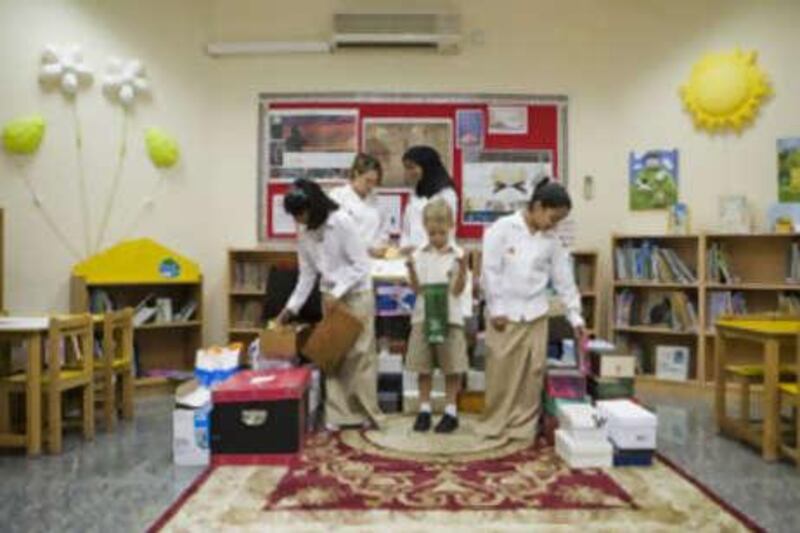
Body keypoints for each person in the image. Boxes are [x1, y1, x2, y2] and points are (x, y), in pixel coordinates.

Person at [477, 178, 585, 441]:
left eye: (560, 220)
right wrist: (496, 308)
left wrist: (575, 316)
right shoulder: (503, 229)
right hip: (505, 314)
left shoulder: (552, 240)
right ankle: (495, 423)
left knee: (532, 374)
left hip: (536, 314)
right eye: (553, 216)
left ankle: (522, 427)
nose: (554, 224)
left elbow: (564, 279)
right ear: (537, 206)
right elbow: (489, 271)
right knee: (501, 373)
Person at [277, 179, 384, 430]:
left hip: (355, 294)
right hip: (330, 298)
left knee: (360, 355)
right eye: (294, 216)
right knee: (333, 356)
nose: (298, 220)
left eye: (300, 214)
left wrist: (337, 291)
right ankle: (339, 415)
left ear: (313, 206)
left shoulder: (342, 222)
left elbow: (360, 265)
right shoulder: (304, 232)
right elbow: (307, 275)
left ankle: (367, 413)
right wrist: (290, 308)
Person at [405, 199, 470, 434]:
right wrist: (411, 269)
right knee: (423, 366)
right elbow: (417, 290)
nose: (437, 238)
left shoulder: (458, 254)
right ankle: (424, 410)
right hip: (423, 316)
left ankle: (450, 412)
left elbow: (457, 290)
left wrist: (463, 269)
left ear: (451, 226)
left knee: (451, 366)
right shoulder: (419, 254)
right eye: (432, 233)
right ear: (425, 228)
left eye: (442, 233)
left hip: (450, 317)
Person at [328, 153, 391, 258]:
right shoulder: (337, 197)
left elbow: (383, 231)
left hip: (373, 261)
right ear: (356, 173)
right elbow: (334, 233)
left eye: (375, 182)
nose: (371, 186)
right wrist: (365, 249)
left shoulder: (377, 201)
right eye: (368, 181)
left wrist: (379, 247)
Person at [399, 146, 458, 254]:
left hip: (437, 255)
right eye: (406, 168)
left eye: (411, 167)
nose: (408, 172)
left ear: (427, 166)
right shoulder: (415, 193)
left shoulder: (446, 194)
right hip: (412, 256)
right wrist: (405, 247)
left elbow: (448, 230)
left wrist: (423, 249)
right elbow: (407, 229)